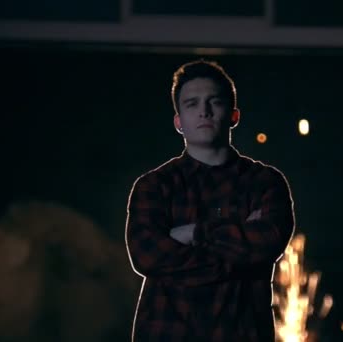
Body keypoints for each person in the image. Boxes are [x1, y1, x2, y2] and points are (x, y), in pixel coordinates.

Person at [125, 59, 295, 341]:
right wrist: (238, 250)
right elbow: (147, 257)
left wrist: (192, 233)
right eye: (192, 104)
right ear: (178, 122)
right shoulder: (153, 186)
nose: (204, 111)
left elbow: (267, 242)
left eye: (213, 102)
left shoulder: (265, 182)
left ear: (233, 115)